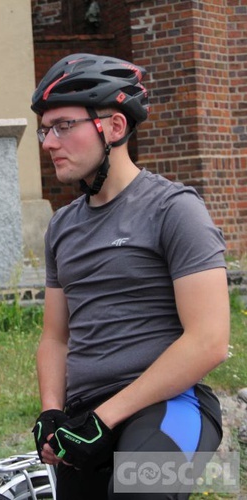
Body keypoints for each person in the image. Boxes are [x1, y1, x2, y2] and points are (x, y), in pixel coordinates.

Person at [30, 53, 230, 499]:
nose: (48, 142)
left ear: (114, 127)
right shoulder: (62, 227)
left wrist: (107, 418)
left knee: (139, 493)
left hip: (170, 408)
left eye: (63, 125)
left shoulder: (175, 210)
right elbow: (55, 338)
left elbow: (210, 341)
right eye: (45, 129)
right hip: (86, 417)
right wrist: (51, 412)